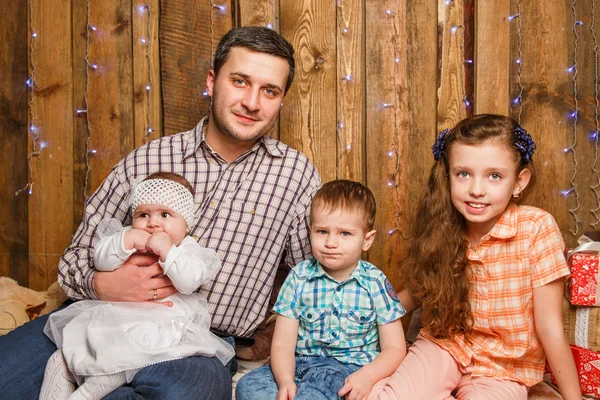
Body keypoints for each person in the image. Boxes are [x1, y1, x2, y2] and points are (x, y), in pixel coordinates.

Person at [0, 26, 321, 399]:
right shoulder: (149, 159)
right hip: (97, 320)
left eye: (269, 91)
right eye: (240, 81)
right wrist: (102, 284)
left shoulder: (296, 176)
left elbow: (312, 283)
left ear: (281, 99)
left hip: (193, 343)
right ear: (212, 81)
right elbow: (75, 259)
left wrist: (269, 337)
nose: (252, 102)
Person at [368, 114, 581, 400]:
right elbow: (419, 292)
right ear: (448, 176)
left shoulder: (536, 228)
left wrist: (573, 397)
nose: (477, 190)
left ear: (519, 182)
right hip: (443, 346)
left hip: (502, 367)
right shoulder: (443, 226)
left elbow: (549, 325)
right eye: (463, 174)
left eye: (494, 176)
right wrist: (366, 314)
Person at [39, 172, 235, 399]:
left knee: (114, 364)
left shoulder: (187, 250)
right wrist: (126, 242)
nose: (153, 223)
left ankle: (84, 395)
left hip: (157, 326)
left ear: (186, 225)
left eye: (165, 214)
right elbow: (100, 261)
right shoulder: (126, 237)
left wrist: (167, 252)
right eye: (143, 214)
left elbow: (190, 281)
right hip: (111, 318)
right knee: (60, 359)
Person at [236, 180, 407, 400]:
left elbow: (395, 349)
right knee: (248, 385)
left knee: (315, 392)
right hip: (301, 364)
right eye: (322, 231)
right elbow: (282, 345)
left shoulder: (374, 282)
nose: (331, 242)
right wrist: (286, 380)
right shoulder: (299, 278)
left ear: (367, 240)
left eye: (345, 233)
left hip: (347, 370)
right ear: (310, 232)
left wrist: (367, 376)